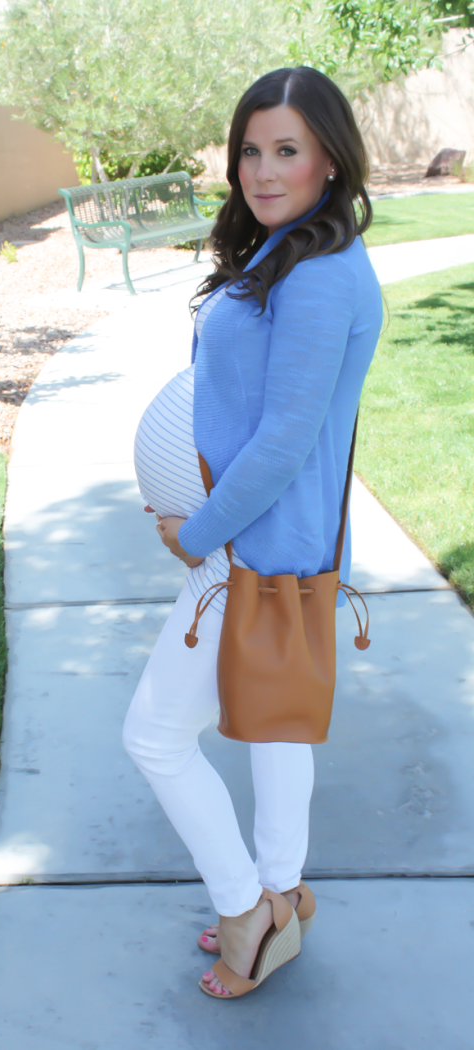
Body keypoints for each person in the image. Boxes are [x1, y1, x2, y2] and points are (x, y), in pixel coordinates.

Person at [124, 66, 383, 999]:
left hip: (247, 550)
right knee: (278, 731)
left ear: (329, 159)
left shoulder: (315, 276)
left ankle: (245, 910)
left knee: (153, 736)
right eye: (250, 150)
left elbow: (282, 441)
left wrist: (199, 533)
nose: (263, 171)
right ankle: (284, 889)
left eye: (287, 150)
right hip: (274, 547)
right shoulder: (296, 252)